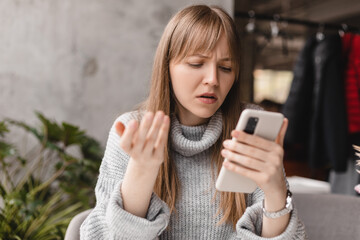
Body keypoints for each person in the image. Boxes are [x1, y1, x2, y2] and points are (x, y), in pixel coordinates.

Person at [80, 4, 306, 239]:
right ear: (167, 66)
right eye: (197, 63)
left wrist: (276, 191)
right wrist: (142, 172)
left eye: (226, 68)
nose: (212, 80)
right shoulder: (133, 131)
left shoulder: (249, 129)